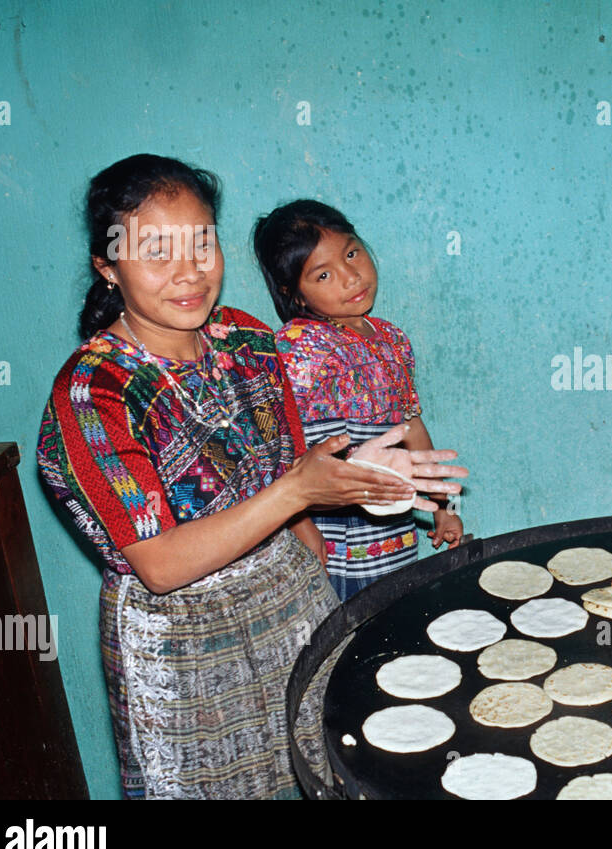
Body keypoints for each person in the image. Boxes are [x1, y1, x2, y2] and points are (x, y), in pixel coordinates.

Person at [37, 154, 466, 799]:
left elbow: (292, 466)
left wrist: (349, 479)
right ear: (109, 267)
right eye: (158, 252)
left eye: (202, 244)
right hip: (180, 647)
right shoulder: (94, 391)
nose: (190, 272)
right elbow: (158, 563)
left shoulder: (245, 339)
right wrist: (300, 493)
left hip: (289, 602)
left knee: (326, 775)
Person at [253, 201, 462, 601]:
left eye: (351, 254)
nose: (350, 278)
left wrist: (441, 506)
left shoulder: (392, 339)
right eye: (324, 274)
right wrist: (303, 529)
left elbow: (411, 426)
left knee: (395, 620)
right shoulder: (300, 349)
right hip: (338, 546)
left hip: (394, 533)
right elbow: (282, 451)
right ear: (293, 293)